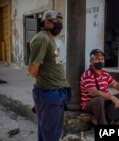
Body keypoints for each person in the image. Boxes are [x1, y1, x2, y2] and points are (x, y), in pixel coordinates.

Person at [28, 10, 71, 141]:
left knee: (47, 131)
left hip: (54, 92)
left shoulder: (49, 38)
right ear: (46, 22)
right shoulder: (42, 39)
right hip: (49, 93)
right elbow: (32, 70)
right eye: (56, 22)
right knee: (51, 133)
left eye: (61, 22)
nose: (59, 25)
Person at [80, 49, 119, 125]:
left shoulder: (105, 73)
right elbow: (93, 92)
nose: (100, 61)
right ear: (91, 61)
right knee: (99, 100)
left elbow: (116, 84)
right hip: (90, 103)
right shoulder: (87, 75)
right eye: (97, 59)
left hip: (104, 101)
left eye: (102, 59)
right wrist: (112, 97)